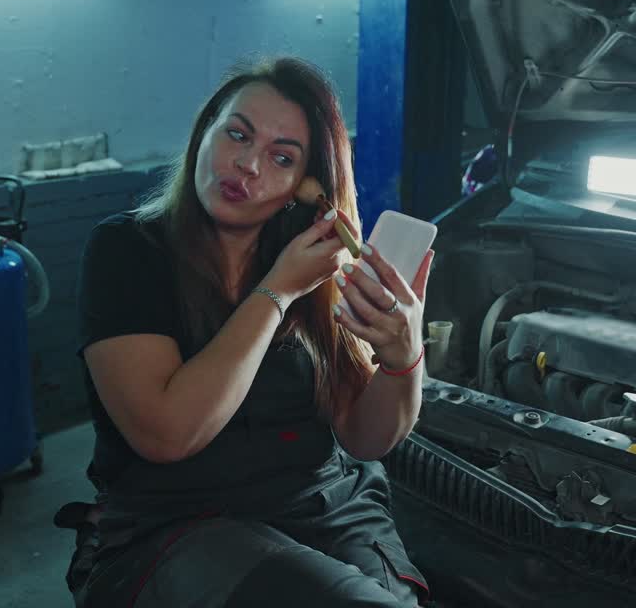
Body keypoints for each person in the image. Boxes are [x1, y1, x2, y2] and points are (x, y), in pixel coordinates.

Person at [60, 56, 434, 607]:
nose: (247, 165)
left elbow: (365, 438)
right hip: (177, 526)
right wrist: (277, 293)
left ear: (304, 188)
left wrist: (404, 356)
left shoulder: (317, 269)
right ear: (203, 133)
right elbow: (167, 435)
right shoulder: (128, 251)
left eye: (281, 157)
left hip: (322, 507)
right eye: (237, 134)